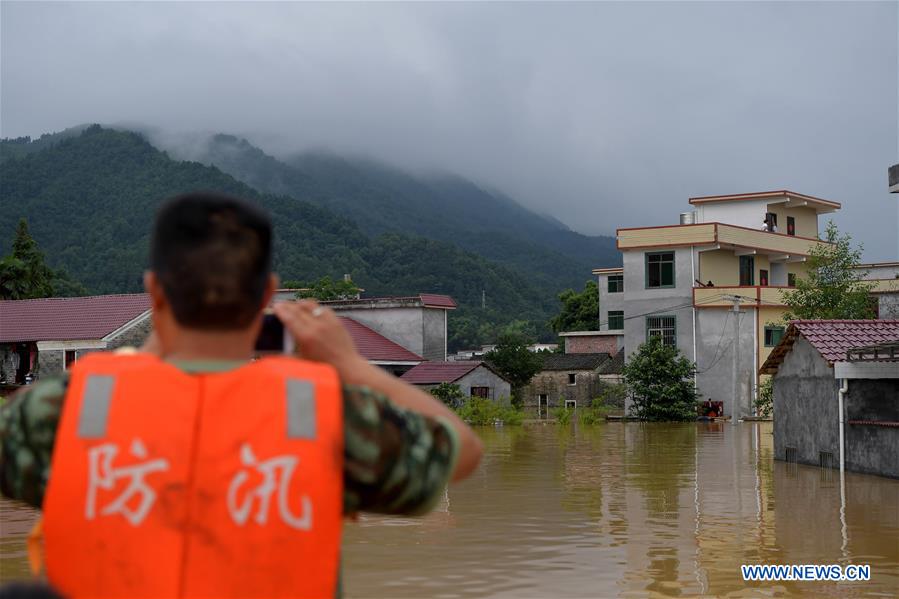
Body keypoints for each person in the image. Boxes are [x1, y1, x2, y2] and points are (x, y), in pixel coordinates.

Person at [0, 192, 482, 599]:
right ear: (267, 295)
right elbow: (460, 451)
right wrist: (350, 365)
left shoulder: (69, 409)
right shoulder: (321, 413)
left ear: (155, 291)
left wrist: (136, 361)